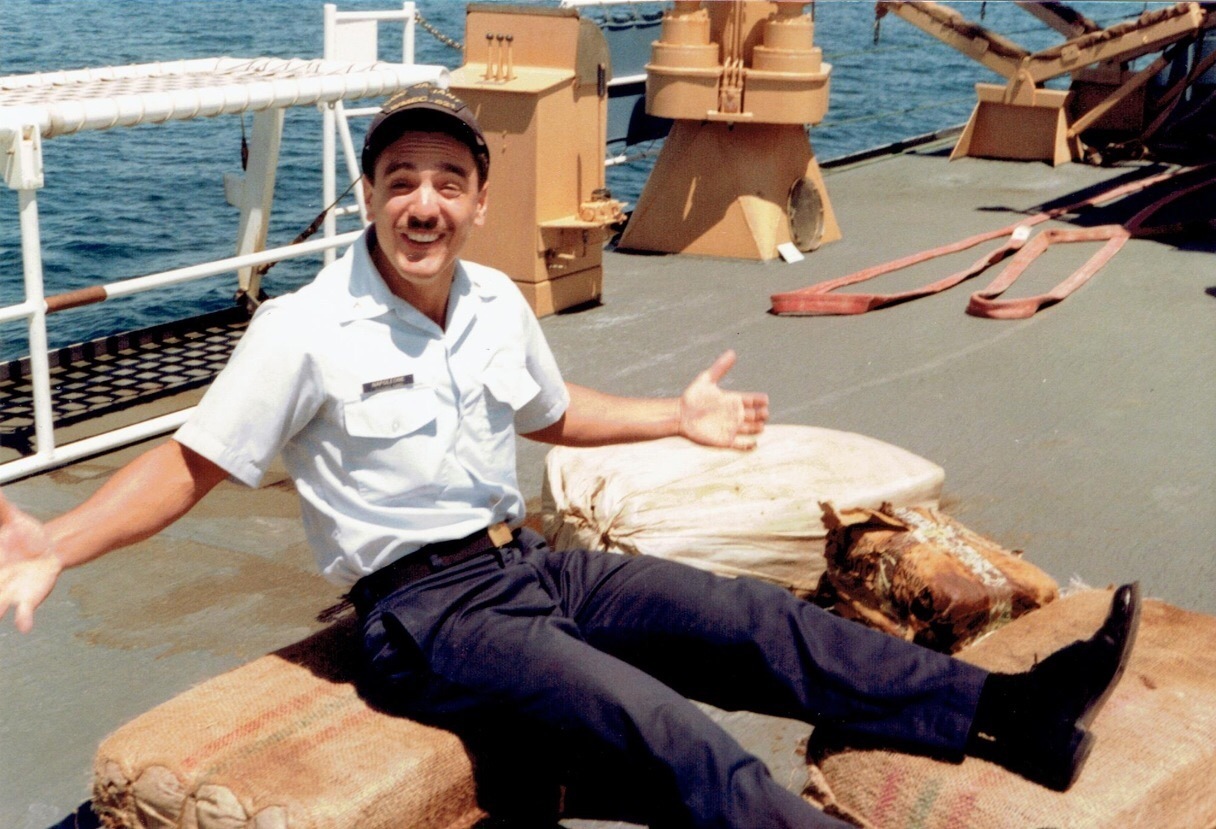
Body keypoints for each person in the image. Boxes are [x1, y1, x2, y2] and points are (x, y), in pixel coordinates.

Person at [0, 84, 1140, 829]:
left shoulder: (492, 299)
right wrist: (58, 539)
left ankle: (1009, 711)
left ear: (479, 198)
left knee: (753, 621)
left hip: (532, 565)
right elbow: (191, 463)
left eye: (447, 180)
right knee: (663, 725)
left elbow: (551, 413)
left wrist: (674, 418)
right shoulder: (302, 327)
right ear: (368, 198)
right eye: (400, 180)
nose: (424, 202)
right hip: (425, 614)